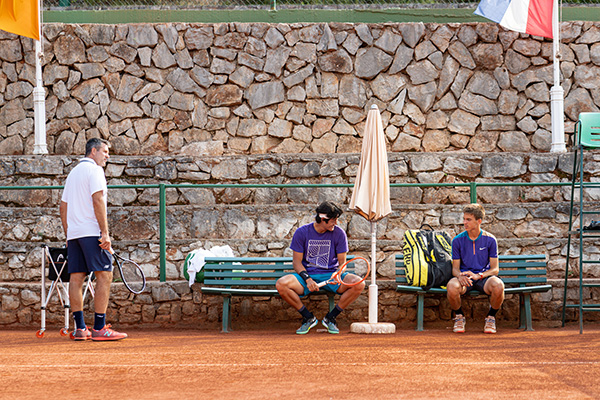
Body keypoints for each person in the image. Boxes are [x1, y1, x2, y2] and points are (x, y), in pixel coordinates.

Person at [59, 138, 127, 341]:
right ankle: (99, 327)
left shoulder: (73, 173)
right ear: (93, 151)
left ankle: (80, 329)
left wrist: (68, 234)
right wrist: (105, 233)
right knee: (105, 275)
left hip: (75, 234)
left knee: (76, 277)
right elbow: (98, 199)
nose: (107, 155)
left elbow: (63, 206)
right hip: (91, 232)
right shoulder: (96, 171)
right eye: (105, 151)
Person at [276, 201, 365, 334]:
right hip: (306, 276)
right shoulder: (302, 232)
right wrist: (308, 279)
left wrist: (338, 274)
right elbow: (297, 263)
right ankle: (308, 317)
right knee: (281, 284)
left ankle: (331, 317)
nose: (336, 223)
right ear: (323, 219)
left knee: (359, 284)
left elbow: (342, 263)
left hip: (331, 276)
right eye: (333, 220)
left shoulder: (339, 233)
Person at [446, 203, 504, 334]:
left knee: (499, 285)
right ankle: (459, 317)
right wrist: (460, 276)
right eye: (464, 219)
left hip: (484, 278)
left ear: (479, 221)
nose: (464, 222)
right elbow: (455, 269)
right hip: (465, 279)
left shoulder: (490, 240)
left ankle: (491, 317)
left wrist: (480, 275)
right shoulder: (457, 240)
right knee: (451, 286)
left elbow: (495, 269)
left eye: (468, 219)